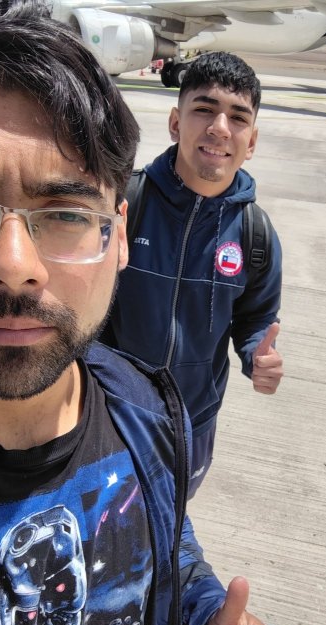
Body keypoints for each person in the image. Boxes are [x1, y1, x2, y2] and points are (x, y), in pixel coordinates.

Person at [0, 2, 291, 625]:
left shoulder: (142, 413)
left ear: (116, 235)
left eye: (64, 213)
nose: (14, 266)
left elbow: (158, 533)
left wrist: (208, 620)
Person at [101, 52, 284, 497]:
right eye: (204, 109)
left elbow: (255, 318)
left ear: (251, 141)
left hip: (193, 423)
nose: (220, 128)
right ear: (175, 123)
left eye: (238, 117)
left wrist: (257, 357)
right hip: (111, 412)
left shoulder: (256, 234)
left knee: (171, 521)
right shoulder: (126, 203)